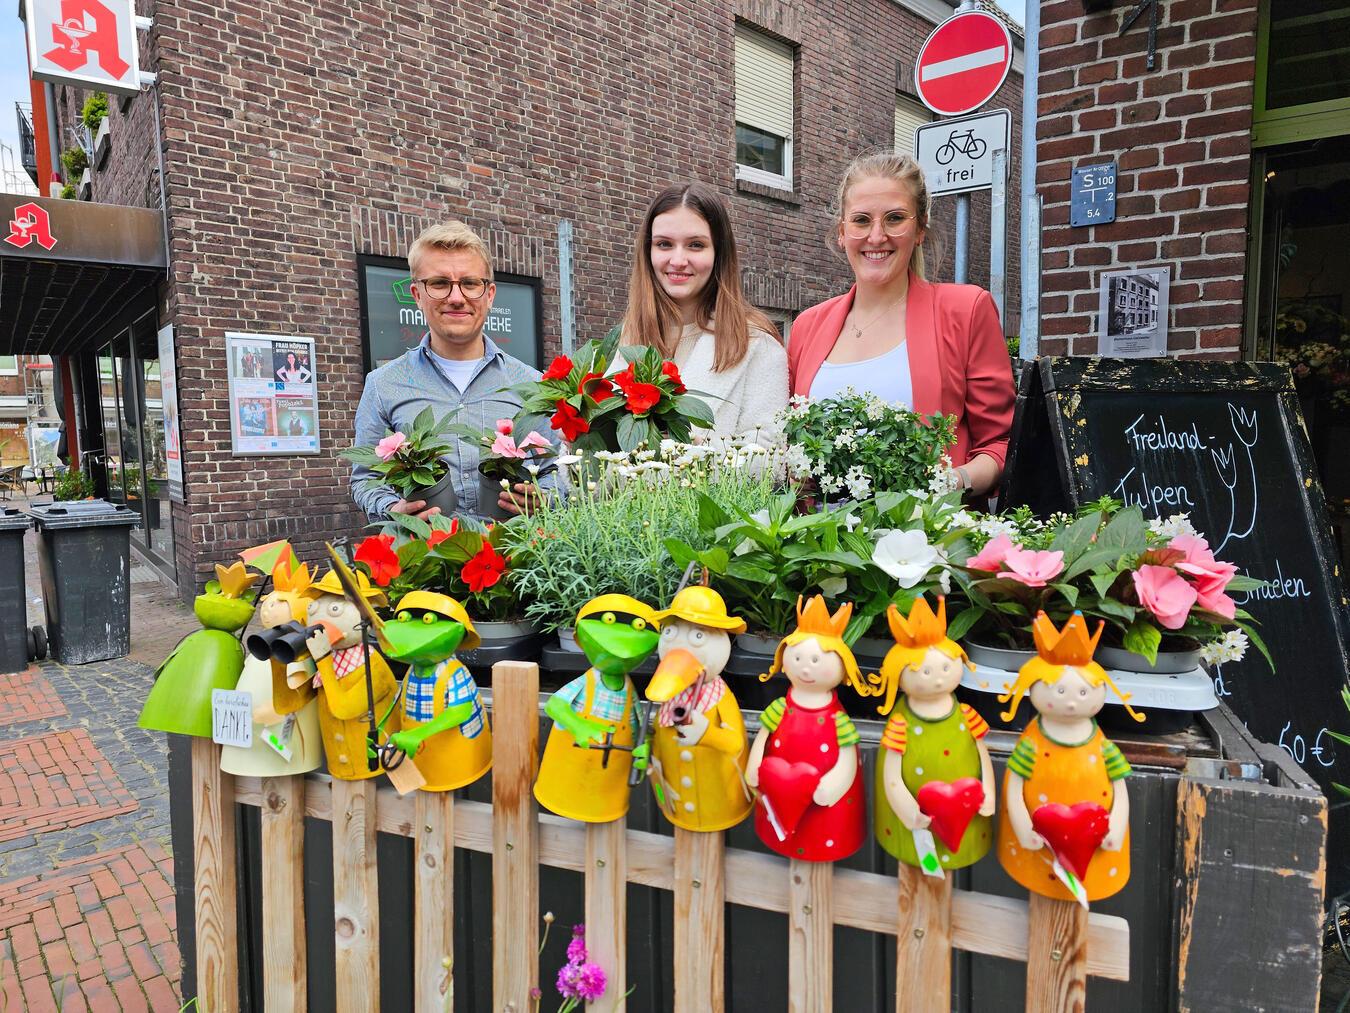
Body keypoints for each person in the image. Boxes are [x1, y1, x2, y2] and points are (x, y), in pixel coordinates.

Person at [787, 152, 1015, 497]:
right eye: (861, 221)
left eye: (894, 219)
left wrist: (953, 482)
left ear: (920, 229)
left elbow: (1002, 443)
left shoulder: (965, 310)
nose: (877, 236)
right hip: (819, 541)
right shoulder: (807, 326)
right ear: (842, 233)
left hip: (929, 538)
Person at [351, 220, 551, 521]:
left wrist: (545, 497)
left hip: (517, 560)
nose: (456, 298)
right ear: (417, 294)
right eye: (440, 283)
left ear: (490, 294)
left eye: (470, 283)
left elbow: (558, 469)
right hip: (424, 560)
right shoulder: (383, 385)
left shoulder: (531, 384)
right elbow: (365, 479)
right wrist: (393, 511)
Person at [618, 182, 788, 446]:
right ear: (648, 251)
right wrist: (579, 440)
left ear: (719, 252)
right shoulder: (625, 341)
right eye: (664, 244)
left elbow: (771, 456)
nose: (677, 260)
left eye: (695, 245)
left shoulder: (756, 342)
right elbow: (587, 472)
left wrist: (696, 454)